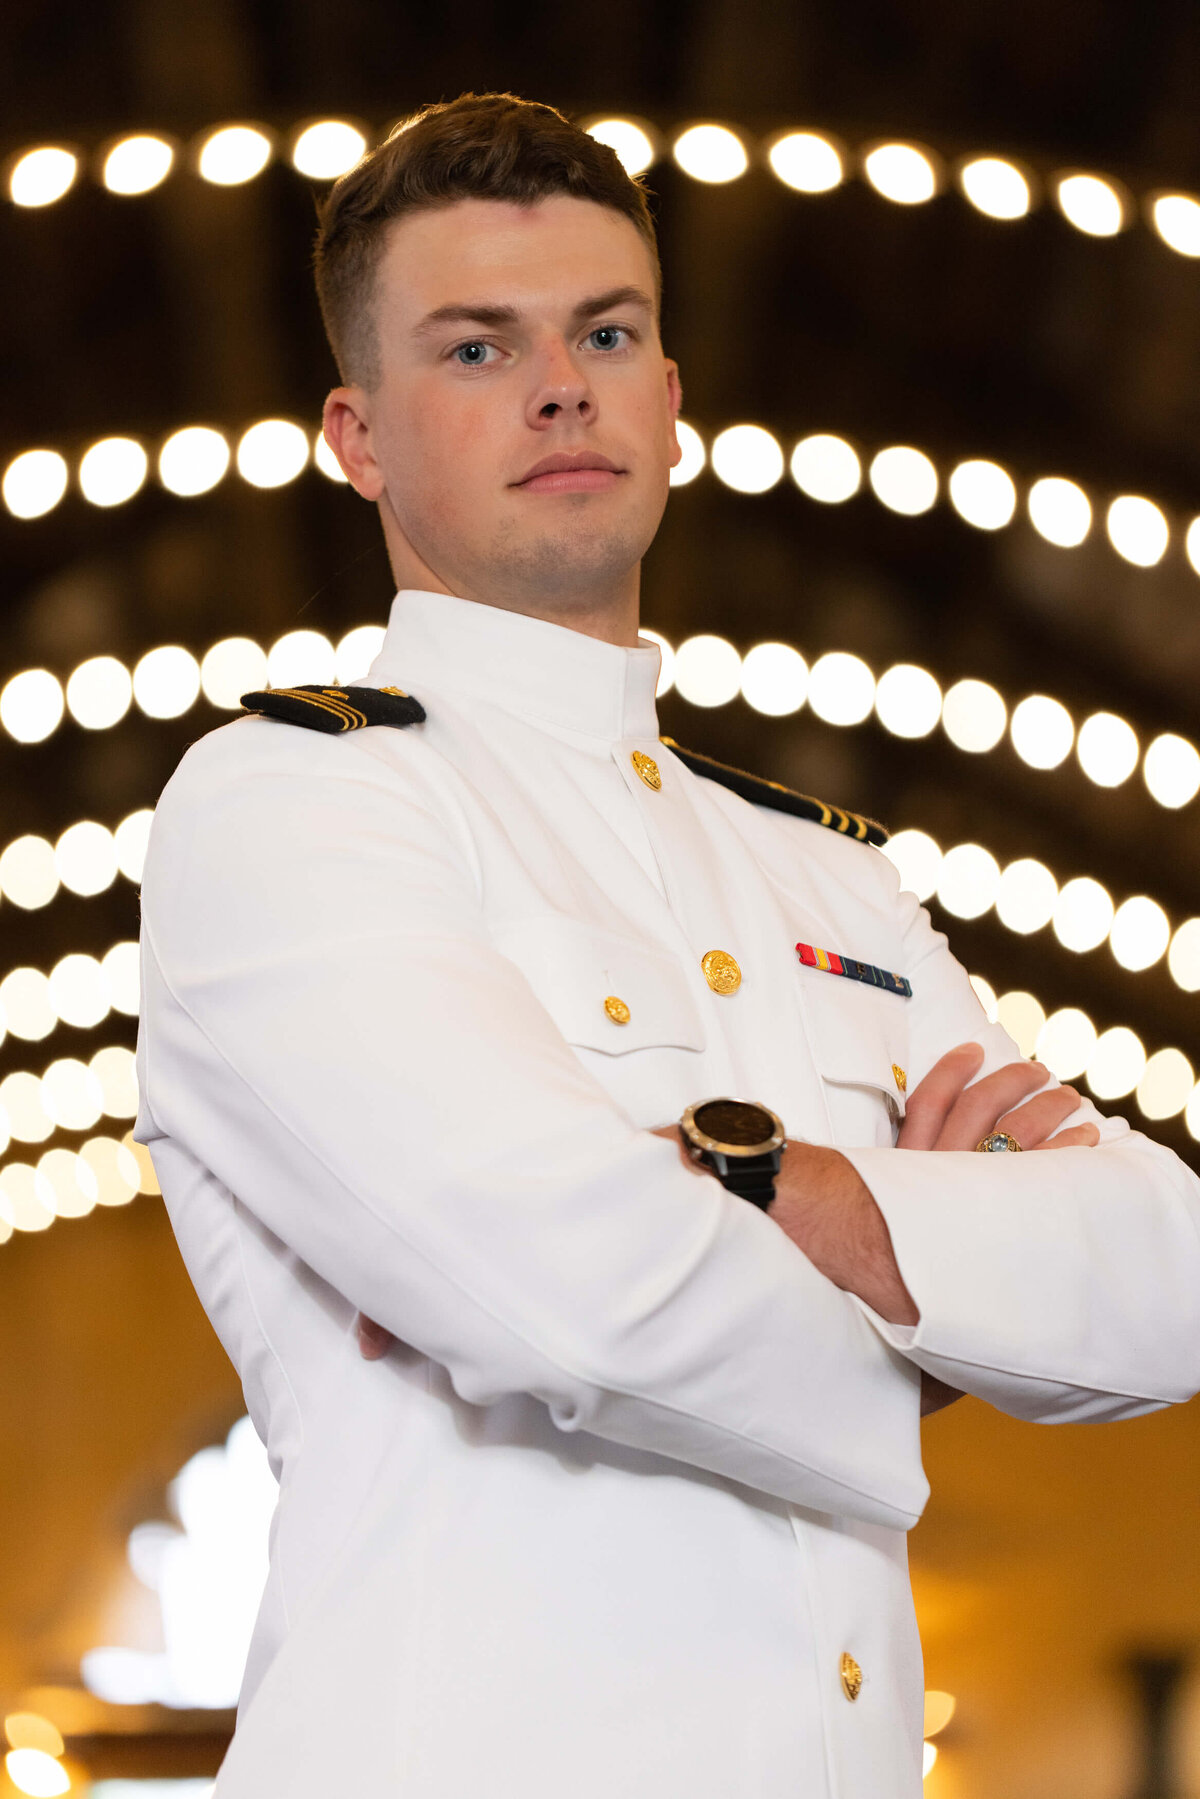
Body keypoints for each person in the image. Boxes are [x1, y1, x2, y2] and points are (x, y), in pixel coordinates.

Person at [133, 93, 1200, 1798]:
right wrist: (942, 1324)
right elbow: (580, 1304)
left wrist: (828, 1206)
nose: (562, 384)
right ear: (358, 434)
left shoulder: (828, 875)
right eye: (476, 350)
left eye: (606, 332)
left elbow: (1169, 1271)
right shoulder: (289, 807)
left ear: (672, 403)